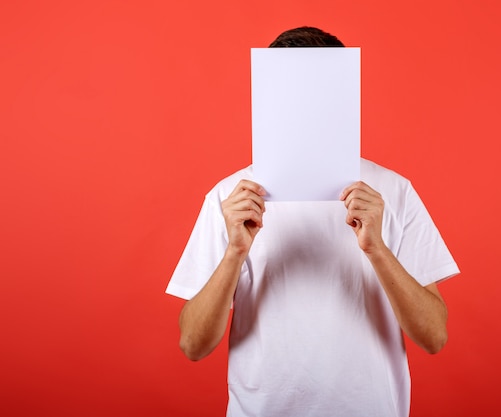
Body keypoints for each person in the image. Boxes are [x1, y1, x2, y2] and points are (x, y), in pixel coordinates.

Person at [166, 26, 459, 417]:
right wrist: (236, 251)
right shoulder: (230, 199)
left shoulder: (392, 191)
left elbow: (434, 337)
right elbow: (193, 345)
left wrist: (377, 249)